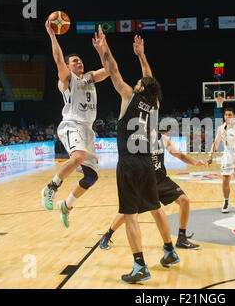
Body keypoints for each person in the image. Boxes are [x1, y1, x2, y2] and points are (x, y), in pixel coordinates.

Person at [95, 27, 180, 283]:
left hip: (130, 163)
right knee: (155, 208)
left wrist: (104, 49)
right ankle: (169, 251)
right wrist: (142, 57)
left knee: (130, 214)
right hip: (147, 162)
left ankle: (140, 266)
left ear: (140, 88)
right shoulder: (154, 105)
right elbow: (150, 80)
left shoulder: (128, 96)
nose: (136, 81)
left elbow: (113, 69)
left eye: (139, 82)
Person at [41, 20, 110, 228]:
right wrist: (53, 35)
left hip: (88, 130)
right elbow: (58, 60)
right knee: (77, 157)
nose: (79, 63)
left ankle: (67, 205)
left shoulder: (89, 77)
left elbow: (109, 70)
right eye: (75, 61)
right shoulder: (66, 79)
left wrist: (102, 50)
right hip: (72, 124)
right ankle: (51, 187)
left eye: (80, 61)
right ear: (69, 66)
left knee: (91, 177)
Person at [99, 132, 205, 250]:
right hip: (145, 181)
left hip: (161, 180)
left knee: (184, 200)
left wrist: (194, 162)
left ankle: (181, 238)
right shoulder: (138, 140)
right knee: (129, 212)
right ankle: (107, 234)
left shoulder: (164, 139)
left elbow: (179, 155)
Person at [207, 108, 235, 213]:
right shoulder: (221, 128)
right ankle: (226, 202)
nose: (227, 117)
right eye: (226, 115)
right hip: (228, 155)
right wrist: (210, 155)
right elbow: (216, 143)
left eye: (230, 115)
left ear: (234, 116)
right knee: (225, 178)